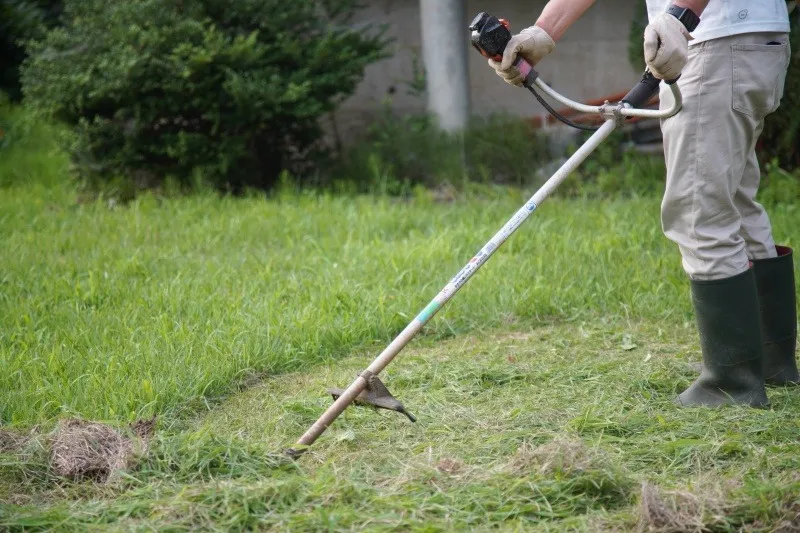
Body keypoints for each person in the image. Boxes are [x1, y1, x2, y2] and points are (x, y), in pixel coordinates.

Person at [489, 1, 795, 407]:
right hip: (746, 38)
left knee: (698, 211)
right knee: (733, 201)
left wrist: (682, 14)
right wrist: (543, 31)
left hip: (716, 40)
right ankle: (768, 363)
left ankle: (732, 384)